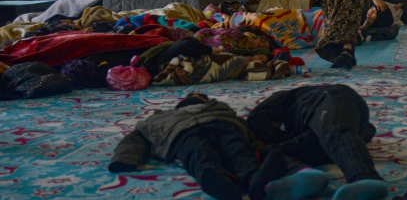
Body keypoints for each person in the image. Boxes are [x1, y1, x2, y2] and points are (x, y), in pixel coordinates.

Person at [109, 93, 264, 200]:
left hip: (220, 124)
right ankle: (217, 180)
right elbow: (135, 139)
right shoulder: (158, 117)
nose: (195, 96)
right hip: (183, 132)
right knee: (200, 152)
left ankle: (253, 177)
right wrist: (125, 159)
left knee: (237, 148)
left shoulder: (219, 107)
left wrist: (263, 148)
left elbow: (248, 129)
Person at [246, 85, 389, 200]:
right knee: (273, 154)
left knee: (334, 131)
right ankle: (305, 176)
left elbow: (255, 117)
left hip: (328, 99)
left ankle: (367, 178)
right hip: (318, 128)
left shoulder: (290, 98)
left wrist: (279, 138)